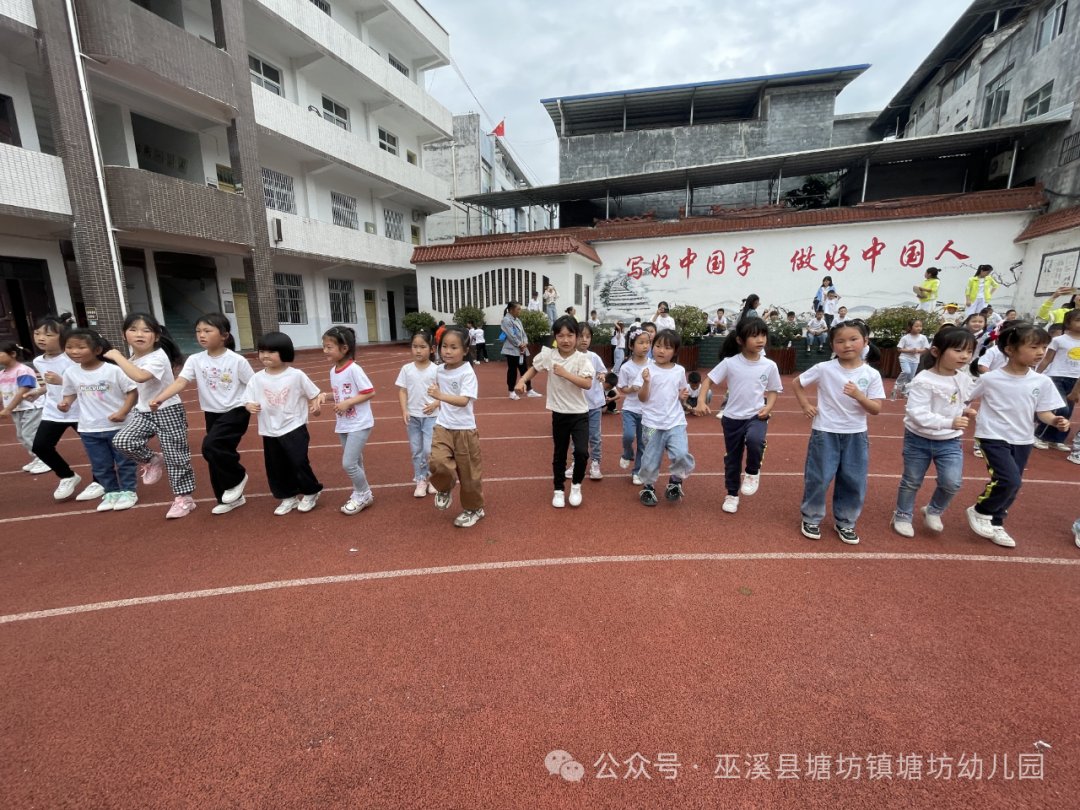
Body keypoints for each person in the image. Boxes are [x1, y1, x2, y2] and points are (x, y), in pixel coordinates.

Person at [965, 323, 1069, 548]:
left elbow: (1044, 412)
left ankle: (997, 522)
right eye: (1033, 347)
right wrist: (963, 412)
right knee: (1009, 479)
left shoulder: (1042, 381)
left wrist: (1055, 420)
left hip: (1023, 438)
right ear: (1010, 350)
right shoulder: (990, 379)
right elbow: (965, 396)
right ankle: (980, 510)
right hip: (992, 435)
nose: (1041, 352)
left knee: (1014, 483)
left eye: (1044, 346)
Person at [150, 313, 253, 515]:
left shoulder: (236, 360)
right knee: (214, 454)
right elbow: (181, 381)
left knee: (211, 445)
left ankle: (238, 477)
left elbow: (254, 383)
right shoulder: (196, 360)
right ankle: (228, 498)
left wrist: (253, 403)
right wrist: (161, 397)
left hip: (236, 410)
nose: (201, 335)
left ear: (224, 335)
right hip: (212, 413)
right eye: (198, 331)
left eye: (207, 331)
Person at [793, 320, 886, 544]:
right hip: (825, 431)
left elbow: (875, 409)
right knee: (819, 477)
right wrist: (806, 405)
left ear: (865, 341)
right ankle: (811, 517)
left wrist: (859, 396)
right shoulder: (825, 369)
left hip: (856, 434)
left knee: (853, 479)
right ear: (832, 345)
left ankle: (845, 522)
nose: (847, 345)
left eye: (854, 339)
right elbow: (798, 382)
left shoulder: (871, 374)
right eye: (840, 341)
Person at [108, 313, 197, 519]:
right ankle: (153, 459)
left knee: (176, 458)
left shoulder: (157, 357)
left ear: (156, 336)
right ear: (124, 334)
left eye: (146, 330)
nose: (139, 334)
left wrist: (116, 357)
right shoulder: (131, 360)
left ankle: (184, 499)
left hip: (168, 411)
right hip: (143, 411)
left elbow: (140, 376)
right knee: (123, 440)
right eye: (133, 330)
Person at [892, 327, 977, 537]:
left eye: (969, 351)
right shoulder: (923, 380)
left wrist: (965, 411)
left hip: (949, 441)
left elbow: (955, 403)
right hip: (918, 439)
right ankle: (902, 514)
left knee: (952, 482)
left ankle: (933, 510)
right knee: (912, 480)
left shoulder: (964, 379)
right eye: (958, 350)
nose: (965, 356)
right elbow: (916, 413)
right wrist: (950, 422)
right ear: (937, 352)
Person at [697, 317, 782, 514]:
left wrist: (768, 407)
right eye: (754, 336)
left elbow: (773, 390)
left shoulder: (769, 365)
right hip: (732, 418)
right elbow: (708, 381)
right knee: (733, 459)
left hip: (756, 415)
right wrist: (701, 401)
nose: (760, 339)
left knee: (755, 440)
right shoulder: (730, 363)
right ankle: (732, 494)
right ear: (740, 340)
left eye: (763, 335)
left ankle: (752, 472)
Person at [516, 316, 595, 507]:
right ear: (555, 337)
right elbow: (534, 368)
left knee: (582, 453)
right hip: (559, 413)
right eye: (561, 335)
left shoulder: (582, 359)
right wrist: (522, 380)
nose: (566, 340)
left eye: (570, 335)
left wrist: (566, 374)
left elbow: (587, 384)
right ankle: (558, 489)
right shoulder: (549, 356)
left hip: (579, 414)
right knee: (559, 453)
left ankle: (576, 486)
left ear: (576, 337)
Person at [58, 329, 139, 512]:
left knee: (124, 461)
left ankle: (128, 491)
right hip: (89, 428)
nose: (74, 351)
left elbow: (132, 391)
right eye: (69, 347)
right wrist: (66, 403)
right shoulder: (71, 373)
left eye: (80, 347)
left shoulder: (113, 370)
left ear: (97, 350)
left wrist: (123, 412)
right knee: (100, 465)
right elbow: (70, 393)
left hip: (120, 426)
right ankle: (111, 492)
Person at [244, 331, 322, 516]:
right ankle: (288, 497)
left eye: (271, 351)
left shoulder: (296, 375)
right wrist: (249, 406)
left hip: (293, 426)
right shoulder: (257, 378)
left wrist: (316, 406)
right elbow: (247, 399)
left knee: (298, 461)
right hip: (269, 429)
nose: (265, 355)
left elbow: (314, 394)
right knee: (276, 466)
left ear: (284, 352)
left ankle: (311, 492)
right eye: (262, 351)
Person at [28, 315, 101, 501]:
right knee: (41, 446)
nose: (41, 338)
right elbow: (52, 385)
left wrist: (61, 381)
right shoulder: (38, 361)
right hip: (54, 410)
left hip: (81, 410)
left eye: (48, 335)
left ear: (63, 338)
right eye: (37, 334)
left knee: (94, 448)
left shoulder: (71, 358)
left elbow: (87, 383)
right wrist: (40, 391)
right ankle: (67, 476)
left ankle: (99, 481)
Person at [428, 326, 485, 528]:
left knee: (469, 474)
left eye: (453, 347)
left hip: (464, 429)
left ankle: (474, 509)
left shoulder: (468, 373)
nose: (447, 351)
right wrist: (437, 403)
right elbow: (443, 395)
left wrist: (439, 397)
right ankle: (445, 486)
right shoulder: (439, 371)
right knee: (437, 461)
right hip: (443, 425)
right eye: (444, 346)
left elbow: (463, 401)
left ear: (465, 350)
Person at [636, 329, 695, 506]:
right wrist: (646, 382)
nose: (661, 351)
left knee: (681, 454)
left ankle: (676, 482)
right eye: (658, 346)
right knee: (651, 458)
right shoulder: (647, 370)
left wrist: (683, 396)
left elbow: (680, 393)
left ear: (675, 351)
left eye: (667, 348)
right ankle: (648, 487)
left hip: (675, 423)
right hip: (652, 424)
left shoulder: (679, 371)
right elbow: (642, 398)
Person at [323, 326, 376, 515]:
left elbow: (369, 391)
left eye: (329, 347)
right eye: (324, 346)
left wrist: (347, 404)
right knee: (356, 461)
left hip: (359, 423)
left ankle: (363, 493)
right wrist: (325, 396)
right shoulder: (333, 371)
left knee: (349, 463)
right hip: (344, 424)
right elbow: (340, 394)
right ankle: (361, 492)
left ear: (344, 348)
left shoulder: (354, 369)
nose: (325, 351)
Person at [396, 330, 440, 499]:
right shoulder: (406, 369)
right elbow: (402, 391)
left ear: (431, 349)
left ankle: (432, 478)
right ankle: (421, 480)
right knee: (416, 450)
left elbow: (444, 392)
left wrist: (436, 403)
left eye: (422, 347)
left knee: (429, 450)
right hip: (413, 417)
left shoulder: (436, 370)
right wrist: (404, 410)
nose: (418, 350)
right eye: (415, 346)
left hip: (431, 416)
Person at [1033, 308, 1080, 450]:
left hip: (1075, 380)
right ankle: (1039, 435)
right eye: (1078, 320)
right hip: (1057, 376)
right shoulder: (1059, 340)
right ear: (1068, 322)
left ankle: (1056, 439)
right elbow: (1047, 359)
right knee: (1060, 408)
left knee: (1069, 410)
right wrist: (1037, 374)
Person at [0, 339, 47, 475]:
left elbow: (23, 390)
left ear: (13, 354)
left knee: (29, 434)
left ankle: (45, 459)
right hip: (17, 409)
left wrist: (8, 408)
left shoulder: (23, 370)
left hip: (31, 407)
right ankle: (37, 456)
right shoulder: (2, 374)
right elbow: (2, 392)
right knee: (21, 435)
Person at [617, 326, 653, 484]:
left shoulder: (653, 364)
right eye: (641, 342)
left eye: (648, 342)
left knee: (643, 443)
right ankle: (627, 453)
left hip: (647, 411)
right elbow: (622, 388)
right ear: (631, 346)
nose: (645, 346)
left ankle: (637, 471)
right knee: (628, 436)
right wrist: (631, 389)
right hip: (630, 409)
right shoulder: (626, 367)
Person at [571, 322, 606, 480]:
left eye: (588, 336)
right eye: (580, 336)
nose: (584, 340)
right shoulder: (570, 357)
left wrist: (602, 376)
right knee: (576, 437)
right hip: (576, 405)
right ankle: (575, 463)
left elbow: (603, 370)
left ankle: (595, 463)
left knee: (595, 436)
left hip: (594, 404)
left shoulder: (594, 357)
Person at [500, 301, 540, 400]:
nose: (519, 311)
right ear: (511, 310)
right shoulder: (506, 320)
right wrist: (519, 344)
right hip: (512, 350)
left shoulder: (517, 320)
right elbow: (510, 335)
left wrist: (525, 342)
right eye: (518, 309)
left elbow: (523, 333)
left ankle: (529, 389)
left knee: (524, 370)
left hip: (521, 350)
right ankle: (511, 391)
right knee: (512, 371)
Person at [893, 317, 929, 399]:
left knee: (910, 377)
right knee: (906, 371)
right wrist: (909, 351)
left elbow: (926, 348)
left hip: (915, 360)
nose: (919, 328)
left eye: (920, 326)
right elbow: (899, 348)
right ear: (910, 327)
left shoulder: (923, 338)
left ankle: (904, 392)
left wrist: (918, 351)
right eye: (916, 326)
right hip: (905, 358)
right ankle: (898, 383)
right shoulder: (905, 338)